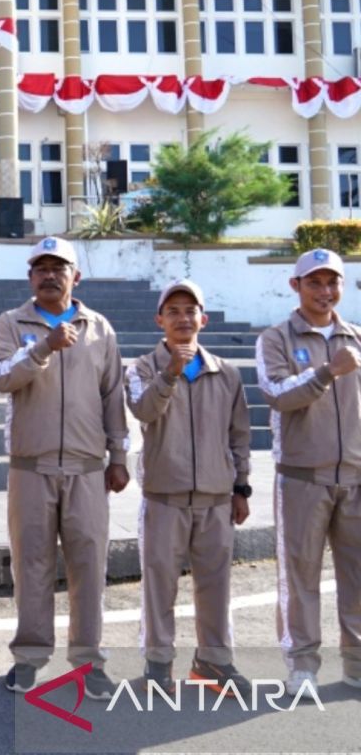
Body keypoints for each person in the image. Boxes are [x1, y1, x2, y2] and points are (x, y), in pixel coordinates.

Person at [0, 235, 129, 699]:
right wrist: (43, 347)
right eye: (41, 268)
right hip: (31, 467)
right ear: (30, 277)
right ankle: (29, 657)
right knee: (32, 566)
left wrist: (119, 456)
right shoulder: (10, 323)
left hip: (88, 468)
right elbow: (3, 376)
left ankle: (89, 662)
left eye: (59, 267)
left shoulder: (100, 328)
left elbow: (113, 397)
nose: (50, 275)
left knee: (90, 566)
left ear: (76, 276)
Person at [126, 279, 251, 695]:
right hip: (164, 496)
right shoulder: (142, 367)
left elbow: (239, 436)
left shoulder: (226, 372)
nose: (183, 318)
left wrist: (241, 488)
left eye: (190, 310)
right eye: (173, 311)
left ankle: (214, 662)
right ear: (159, 319)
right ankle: (158, 666)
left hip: (216, 498)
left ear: (204, 319)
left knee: (216, 586)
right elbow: (143, 409)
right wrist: (171, 373)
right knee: (160, 584)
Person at [256, 248, 361, 697]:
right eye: (314, 282)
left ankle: (356, 665)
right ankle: (302, 666)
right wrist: (325, 373)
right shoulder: (275, 339)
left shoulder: (355, 337)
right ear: (295, 286)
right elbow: (277, 394)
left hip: (355, 477)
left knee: (357, 576)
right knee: (300, 577)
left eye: (332, 282)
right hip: (301, 477)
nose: (325, 291)